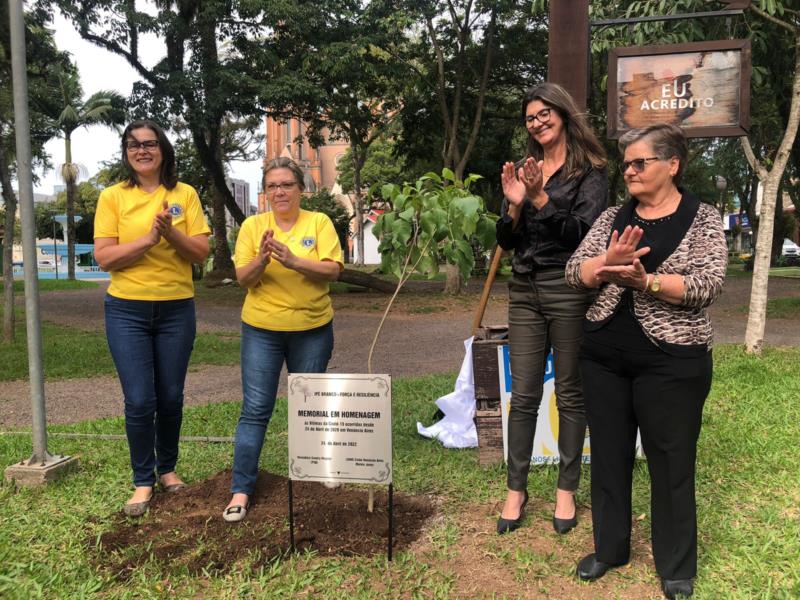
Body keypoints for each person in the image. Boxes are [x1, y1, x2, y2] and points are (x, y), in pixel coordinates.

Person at [565, 124, 727, 600]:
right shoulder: (614, 216)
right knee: (609, 457)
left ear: (671, 164)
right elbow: (576, 271)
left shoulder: (703, 218)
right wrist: (605, 263)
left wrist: (647, 281)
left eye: (640, 162)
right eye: (627, 164)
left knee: (671, 460)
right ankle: (610, 549)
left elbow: (707, 285)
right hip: (603, 356)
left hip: (672, 361)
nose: (629, 171)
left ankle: (676, 565)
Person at [495, 83, 608, 535]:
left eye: (545, 114)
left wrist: (540, 199)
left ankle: (566, 490)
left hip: (569, 287)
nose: (537, 123)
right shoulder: (526, 170)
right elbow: (506, 241)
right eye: (530, 117)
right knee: (522, 395)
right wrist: (516, 207)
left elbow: (584, 235)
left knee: (570, 391)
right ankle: (516, 490)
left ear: (563, 113)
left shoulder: (591, 173)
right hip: (524, 289)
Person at [94, 120, 211, 516]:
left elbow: (199, 253)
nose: (141, 150)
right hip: (127, 309)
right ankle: (143, 480)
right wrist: (148, 239)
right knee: (141, 399)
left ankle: (169, 470)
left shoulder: (185, 194)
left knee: (171, 397)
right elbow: (105, 257)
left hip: (177, 308)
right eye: (132, 145)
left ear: (163, 149)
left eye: (149, 143)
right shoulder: (112, 197)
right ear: (126, 153)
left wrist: (170, 233)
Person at [223, 157, 343, 523]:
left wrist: (292, 260)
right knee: (256, 409)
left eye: (286, 184)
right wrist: (262, 259)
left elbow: (334, 271)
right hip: (262, 330)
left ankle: (316, 470)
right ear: (265, 191)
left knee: (311, 405)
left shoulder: (319, 222)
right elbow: (244, 279)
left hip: (312, 329)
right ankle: (241, 488)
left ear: (301, 189)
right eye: (272, 185)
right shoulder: (252, 226)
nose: (279, 191)